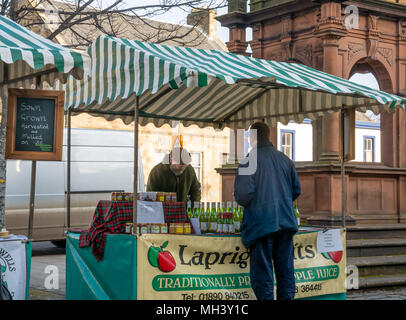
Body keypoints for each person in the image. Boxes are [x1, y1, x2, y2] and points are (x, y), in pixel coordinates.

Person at [234, 122, 301, 300]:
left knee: (263, 277)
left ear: (253, 137)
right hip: (286, 223)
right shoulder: (285, 159)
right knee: (286, 274)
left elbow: (243, 196)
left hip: (261, 225)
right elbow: (296, 190)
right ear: (268, 136)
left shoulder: (249, 160)